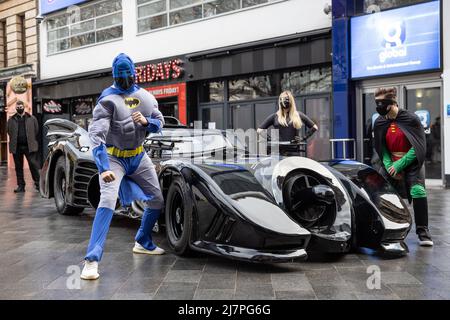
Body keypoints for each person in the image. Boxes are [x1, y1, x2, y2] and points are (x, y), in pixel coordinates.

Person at [81, 53, 166, 280]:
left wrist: (148, 122)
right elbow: (96, 136)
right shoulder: (107, 100)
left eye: (128, 74)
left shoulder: (146, 97)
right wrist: (103, 167)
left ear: (134, 73)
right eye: (121, 76)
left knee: (157, 199)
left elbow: (161, 121)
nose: (125, 79)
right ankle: (91, 259)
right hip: (114, 158)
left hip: (138, 156)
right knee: (107, 200)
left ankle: (143, 241)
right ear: (115, 76)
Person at [372, 87, 433, 247]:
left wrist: (400, 165)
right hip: (390, 162)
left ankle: (423, 232)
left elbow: (418, 146)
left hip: (412, 162)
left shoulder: (410, 119)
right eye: (376, 103)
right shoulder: (380, 122)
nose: (379, 107)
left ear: (392, 103)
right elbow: (381, 147)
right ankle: (390, 229)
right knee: (381, 192)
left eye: (382, 103)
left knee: (417, 191)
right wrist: (389, 165)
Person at [257, 90, 318, 155]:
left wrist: (303, 138)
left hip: (293, 152)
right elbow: (259, 130)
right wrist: (270, 139)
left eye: (286, 99)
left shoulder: (297, 115)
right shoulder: (275, 116)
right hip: (280, 153)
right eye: (283, 99)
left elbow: (314, 127)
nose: (285, 102)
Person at [6, 100, 41, 193]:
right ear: (16, 108)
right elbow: (9, 131)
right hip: (16, 147)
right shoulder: (11, 119)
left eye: (21, 107)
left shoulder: (32, 118)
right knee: (18, 167)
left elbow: (36, 130)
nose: (19, 108)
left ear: (24, 107)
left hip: (29, 146)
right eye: (18, 107)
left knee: (33, 165)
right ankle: (21, 186)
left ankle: (38, 184)